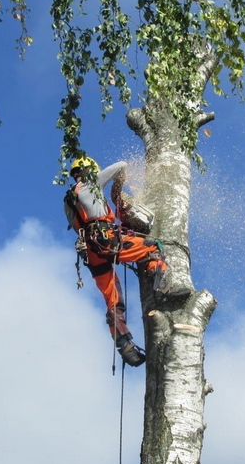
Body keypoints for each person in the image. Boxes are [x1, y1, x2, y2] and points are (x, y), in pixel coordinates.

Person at [64, 156, 179, 367]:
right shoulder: (92, 183)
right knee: (152, 247)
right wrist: (116, 193)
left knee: (113, 300)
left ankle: (124, 345)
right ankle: (164, 286)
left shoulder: (70, 199)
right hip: (105, 240)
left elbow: (83, 222)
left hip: (91, 252)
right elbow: (122, 167)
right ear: (90, 169)